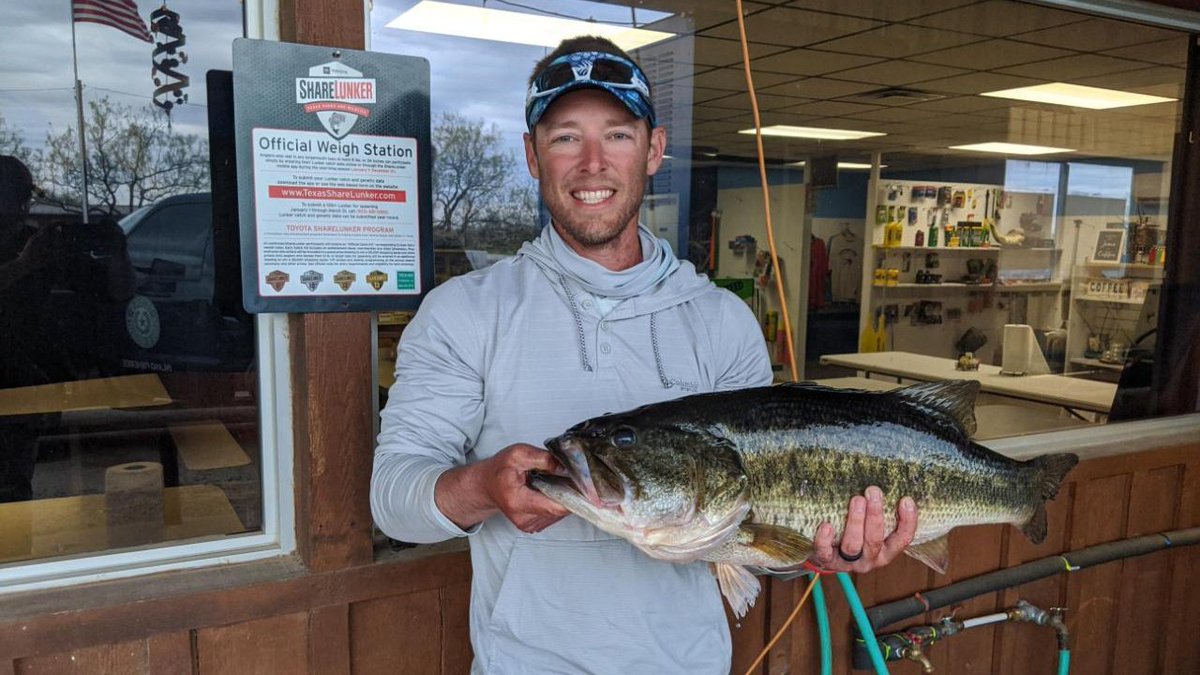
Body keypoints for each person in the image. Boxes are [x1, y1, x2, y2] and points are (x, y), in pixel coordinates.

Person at [371, 36, 918, 673]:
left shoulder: (722, 322)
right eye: (565, 136)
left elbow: (755, 538)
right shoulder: (463, 312)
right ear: (532, 154)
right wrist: (482, 487)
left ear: (654, 149)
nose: (592, 163)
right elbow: (393, 499)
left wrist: (821, 551)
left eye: (618, 135)